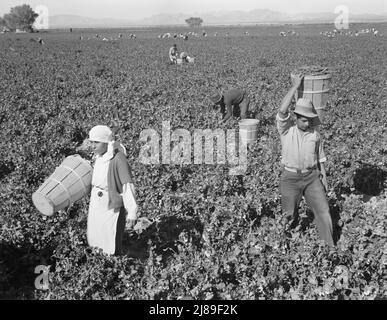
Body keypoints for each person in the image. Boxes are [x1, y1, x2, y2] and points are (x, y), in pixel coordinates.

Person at [277, 74, 334, 247]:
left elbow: (320, 157)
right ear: (296, 118)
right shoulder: (286, 131)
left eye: (309, 120)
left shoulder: (315, 135)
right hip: (290, 178)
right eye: (303, 120)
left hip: (311, 177)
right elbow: (282, 111)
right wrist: (295, 86)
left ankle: (329, 248)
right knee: (289, 213)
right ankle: (283, 244)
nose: (307, 123)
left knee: (323, 211)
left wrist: (323, 176)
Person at [87, 125, 138, 255]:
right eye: (91, 142)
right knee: (96, 236)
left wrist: (132, 211)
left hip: (111, 206)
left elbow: (127, 185)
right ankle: (98, 265)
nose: (93, 146)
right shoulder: (99, 157)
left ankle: (113, 267)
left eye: (96, 142)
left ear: (106, 143)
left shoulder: (118, 159)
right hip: (97, 204)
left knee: (110, 238)